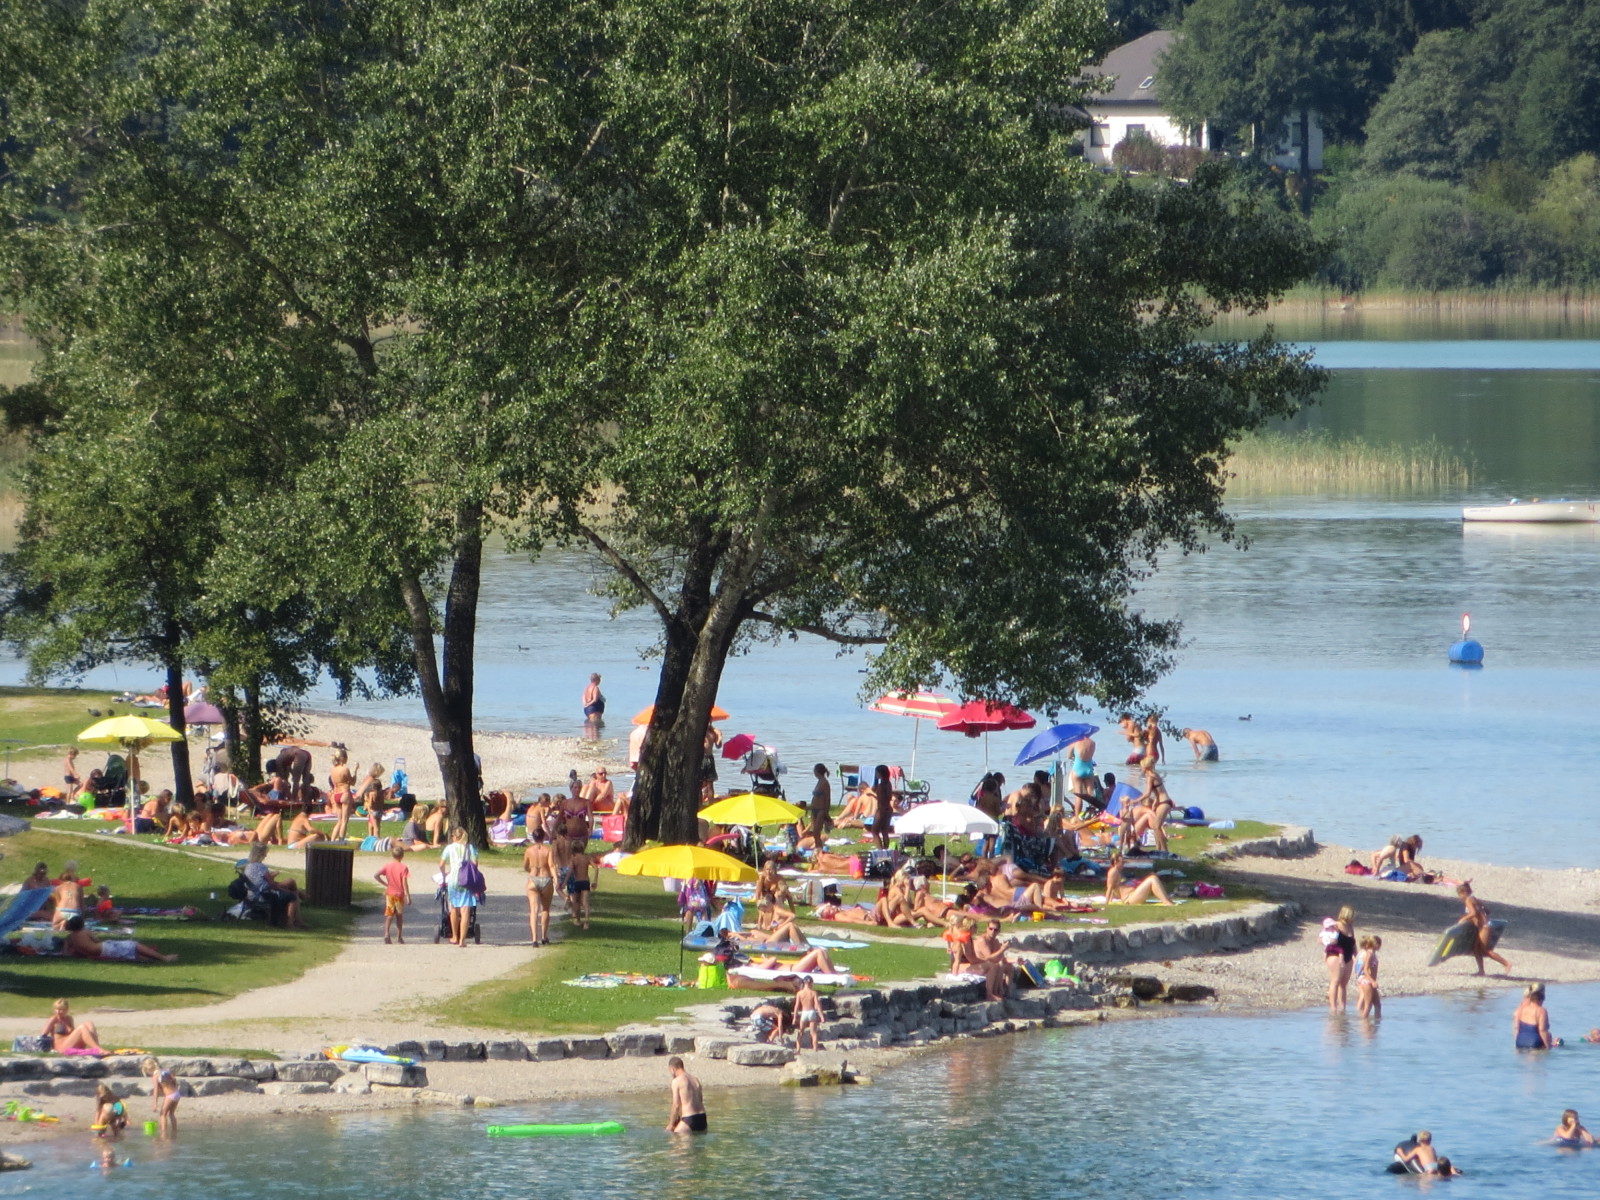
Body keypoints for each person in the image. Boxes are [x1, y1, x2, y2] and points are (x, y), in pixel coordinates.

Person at [244, 842, 309, 928]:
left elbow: (260, 881)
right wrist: (284, 890)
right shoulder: (261, 866)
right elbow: (271, 885)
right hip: (263, 894)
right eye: (264, 854)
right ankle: (290, 923)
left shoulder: (248, 867)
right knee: (292, 894)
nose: (265, 856)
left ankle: (298, 916)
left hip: (251, 894)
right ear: (260, 855)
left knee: (291, 886)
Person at [63, 916, 177, 963]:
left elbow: (67, 952)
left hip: (97, 953)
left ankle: (149, 958)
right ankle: (163, 957)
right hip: (103, 949)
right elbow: (96, 942)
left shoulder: (70, 938)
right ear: (82, 925)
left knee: (129, 951)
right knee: (134, 945)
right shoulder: (85, 932)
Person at [1457, 881, 1510, 975]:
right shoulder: (1474, 899)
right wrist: (1478, 916)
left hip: (1484, 927)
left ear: (1464, 893)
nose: (1459, 897)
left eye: (1459, 895)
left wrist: (1463, 919)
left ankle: (1506, 963)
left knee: (1485, 950)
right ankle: (1481, 971)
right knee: (1476, 949)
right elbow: (1487, 911)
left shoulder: (1468, 900)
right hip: (1485, 925)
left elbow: (1473, 912)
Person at [440, 827, 480, 947]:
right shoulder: (470, 848)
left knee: (454, 908)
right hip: (466, 880)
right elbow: (475, 864)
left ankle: (454, 936)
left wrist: (444, 873)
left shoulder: (449, 848)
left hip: (453, 879)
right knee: (465, 910)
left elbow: (441, 864)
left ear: (455, 837)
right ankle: (463, 939)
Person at [523, 827, 556, 946]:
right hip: (546, 878)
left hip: (533, 879)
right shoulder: (548, 850)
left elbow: (525, 866)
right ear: (544, 837)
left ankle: (534, 939)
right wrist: (556, 880)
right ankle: (544, 936)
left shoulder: (529, 850)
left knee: (534, 909)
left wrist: (531, 871)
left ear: (533, 837)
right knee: (545, 909)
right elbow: (551, 865)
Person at [1104, 850, 1173, 906]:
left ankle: (1167, 900)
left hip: (1132, 895)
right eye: (1122, 862)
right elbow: (1110, 887)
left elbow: (1113, 886)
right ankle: (1166, 902)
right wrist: (1107, 902)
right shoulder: (1113, 871)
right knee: (1152, 878)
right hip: (1129, 899)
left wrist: (1110, 900)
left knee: (1153, 877)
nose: (1123, 864)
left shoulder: (1118, 872)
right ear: (1116, 862)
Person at [375, 845, 410, 944]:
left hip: (389, 893)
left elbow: (376, 875)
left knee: (389, 914)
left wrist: (385, 884)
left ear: (392, 855)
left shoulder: (388, 866)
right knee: (399, 915)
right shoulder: (403, 868)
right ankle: (399, 937)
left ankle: (386, 934)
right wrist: (408, 895)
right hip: (399, 894)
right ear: (402, 856)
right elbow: (404, 882)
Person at [666, 1056, 707, 1134]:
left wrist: (671, 1124)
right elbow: (700, 1100)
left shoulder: (677, 1081)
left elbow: (676, 1105)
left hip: (689, 1118)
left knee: (675, 1140)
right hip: (702, 1118)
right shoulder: (695, 1079)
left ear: (672, 1069)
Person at [143, 1057, 181, 1138]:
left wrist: (155, 1104)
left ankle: (163, 1134)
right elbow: (174, 1079)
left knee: (162, 1114)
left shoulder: (155, 1076)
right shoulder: (165, 1071)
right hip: (177, 1093)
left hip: (170, 1096)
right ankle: (174, 1132)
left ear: (149, 1070)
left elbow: (155, 1091)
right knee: (171, 1114)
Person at [1514, 982, 1557, 1049]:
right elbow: (1542, 1030)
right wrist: (1548, 1047)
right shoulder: (1541, 1010)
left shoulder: (1521, 1008)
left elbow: (1516, 1028)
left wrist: (1519, 1040)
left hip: (1519, 1042)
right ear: (1540, 1000)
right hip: (1534, 1043)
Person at [50, 861, 87, 930]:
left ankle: (62, 923)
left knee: (54, 926)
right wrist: (82, 920)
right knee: (75, 928)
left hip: (62, 910)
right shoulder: (78, 887)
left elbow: (57, 904)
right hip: (75, 911)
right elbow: (82, 905)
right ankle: (68, 923)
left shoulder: (58, 888)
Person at [567, 837, 592, 930]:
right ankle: (587, 922)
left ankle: (577, 919)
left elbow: (570, 871)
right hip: (586, 882)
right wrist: (595, 881)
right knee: (585, 902)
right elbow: (596, 868)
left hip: (577, 882)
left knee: (576, 901)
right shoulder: (586, 858)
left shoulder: (573, 860)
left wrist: (565, 881)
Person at [792, 975, 823, 1050]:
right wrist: (821, 1016)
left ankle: (798, 1050)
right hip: (811, 1012)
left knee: (800, 1032)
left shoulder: (799, 993)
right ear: (811, 983)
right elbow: (817, 1005)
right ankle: (815, 1049)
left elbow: (796, 1006)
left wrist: (794, 1018)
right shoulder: (813, 993)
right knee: (813, 1033)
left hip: (804, 1012)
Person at [1355, 934, 1382, 1019]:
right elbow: (1366, 970)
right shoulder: (1369, 954)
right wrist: (1373, 981)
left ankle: (1377, 1024)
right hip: (1367, 982)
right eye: (1378, 944)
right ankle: (1364, 1024)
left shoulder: (1372, 954)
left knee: (1378, 1005)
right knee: (1368, 1006)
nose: (1379, 946)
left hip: (1369, 981)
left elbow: (1363, 966)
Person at [358, 763, 387, 839]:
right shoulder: (373, 782)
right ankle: (372, 838)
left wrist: (368, 807)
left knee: (372, 824)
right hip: (377, 808)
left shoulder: (370, 781)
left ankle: (372, 838)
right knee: (374, 825)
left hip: (372, 807)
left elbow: (366, 796)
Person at [869, 764, 893, 851]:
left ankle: (880, 850)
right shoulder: (888, 783)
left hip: (882, 809)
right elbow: (888, 797)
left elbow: (881, 799)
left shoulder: (881, 786)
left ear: (880, 773)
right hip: (889, 809)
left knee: (874, 831)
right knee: (885, 832)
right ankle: (886, 849)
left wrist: (873, 793)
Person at [1068, 733, 1096, 807]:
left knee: (1078, 795)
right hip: (1089, 769)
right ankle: (1093, 813)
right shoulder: (1093, 743)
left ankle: (1077, 817)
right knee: (1091, 795)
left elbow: (1069, 756)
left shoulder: (1075, 743)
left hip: (1078, 769)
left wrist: (1073, 755)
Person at [807, 763, 833, 844]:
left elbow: (827, 798)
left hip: (820, 810)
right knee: (814, 833)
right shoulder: (819, 781)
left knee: (816, 833)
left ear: (817, 771)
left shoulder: (825, 783)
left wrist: (826, 812)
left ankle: (819, 849)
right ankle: (817, 848)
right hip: (814, 809)